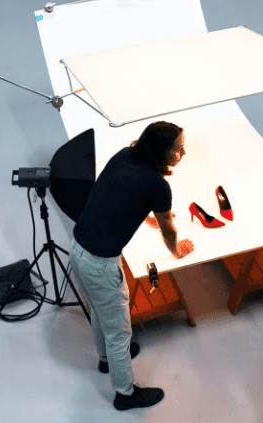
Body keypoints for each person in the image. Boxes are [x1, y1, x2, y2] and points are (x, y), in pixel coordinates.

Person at [69, 121, 195, 411]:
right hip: (101, 263)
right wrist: (176, 251)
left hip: (78, 248)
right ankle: (125, 395)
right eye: (178, 149)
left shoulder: (125, 156)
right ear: (163, 152)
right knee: (121, 333)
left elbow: (112, 195)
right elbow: (169, 231)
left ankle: (105, 362)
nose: (183, 153)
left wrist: (143, 211)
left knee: (101, 312)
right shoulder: (158, 186)